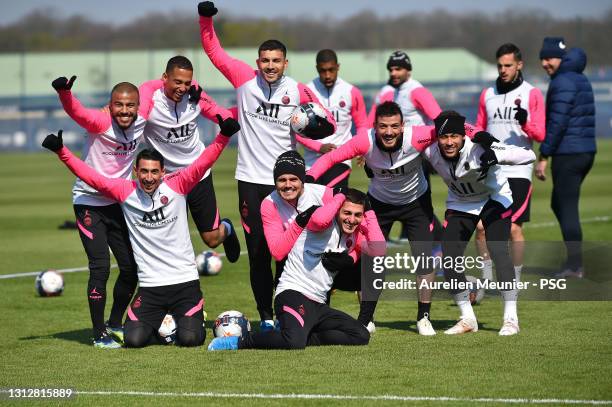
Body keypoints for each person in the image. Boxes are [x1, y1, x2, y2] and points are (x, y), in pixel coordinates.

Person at [41, 116, 241, 348]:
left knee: (191, 339)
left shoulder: (179, 184)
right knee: (134, 340)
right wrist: (61, 151)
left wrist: (223, 136)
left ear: (163, 172)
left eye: (154, 172)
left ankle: (190, 316)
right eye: (144, 171)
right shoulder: (124, 191)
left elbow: (203, 163)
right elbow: (91, 177)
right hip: (150, 287)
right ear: (136, 171)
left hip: (185, 283)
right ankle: (169, 321)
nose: (149, 177)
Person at [197, 1, 336, 330]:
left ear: (285, 63)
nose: (270, 66)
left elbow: (324, 122)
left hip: (287, 183)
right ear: (257, 62)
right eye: (265, 60)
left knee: (287, 253)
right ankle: (267, 317)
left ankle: (291, 308)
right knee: (259, 253)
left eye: (276, 61)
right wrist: (205, 18)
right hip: (251, 181)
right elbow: (213, 49)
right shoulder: (244, 78)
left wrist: (319, 139)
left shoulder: (298, 90)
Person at [307, 102, 479, 335]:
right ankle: (366, 319)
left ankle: (423, 318)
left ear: (403, 126)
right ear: (375, 127)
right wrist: (308, 178)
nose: (389, 132)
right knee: (371, 260)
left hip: (417, 204)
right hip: (378, 205)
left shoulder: (417, 135)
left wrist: (484, 137)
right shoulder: (363, 141)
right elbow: (330, 159)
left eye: (394, 126)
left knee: (424, 260)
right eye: (383, 126)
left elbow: (458, 127)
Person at [208, 188, 384, 351]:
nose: (351, 219)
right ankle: (239, 341)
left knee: (361, 334)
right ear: (337, 209)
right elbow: (320, 219)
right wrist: (340, 195)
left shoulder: (355, 231)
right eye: (347, 213)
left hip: (318, 304)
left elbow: (379, 250)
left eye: (357, 215)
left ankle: (304, 335)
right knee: (293, 342)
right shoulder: (320, 221)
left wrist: (369, 213)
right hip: (293, 294)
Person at [422, 111, 535, 336]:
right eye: (444, 137)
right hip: (461, 203)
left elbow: (528, 155)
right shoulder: (430, 150)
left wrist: (495, 154)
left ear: (463, 135)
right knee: (449, 254)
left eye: (454, 136)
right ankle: (467, 318)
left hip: (494, 198)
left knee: (498, 250)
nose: (449, 142)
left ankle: (511, 318)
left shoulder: (479, 147)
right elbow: (403, 141)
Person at [52, 76, 145, 348]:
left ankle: (115, 323)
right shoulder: (101, 122)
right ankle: (98, 333)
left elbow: (153, 89)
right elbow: (77, 112)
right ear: (110, 105)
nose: (125, 111)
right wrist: (65, 93)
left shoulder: (140, 122)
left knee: (131, 268)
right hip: (89, 203)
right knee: (100, 268)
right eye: (119, 105)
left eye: (130, 105)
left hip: (118, 203)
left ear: (138, 107)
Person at [260, 151, 378, 332]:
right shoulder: (269, 204)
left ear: (303, 180)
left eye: (294, 179)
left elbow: (357, 225)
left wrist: (351, 257)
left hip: (331, 264)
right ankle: (282, 319)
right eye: (282, 180)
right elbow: (277, 252)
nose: (288, 185)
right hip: (297, 271)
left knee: (375, 264)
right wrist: (301, 222)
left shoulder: (322, 193)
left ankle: (363, 323)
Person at [138, 55, 240, 263]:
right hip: (167, 181)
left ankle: (227, 229)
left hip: (198, 174)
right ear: (165, 78)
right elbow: (127, 113)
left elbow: (221, 114)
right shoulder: (150, 101)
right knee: (171, 239)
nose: (183, 88)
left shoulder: (195, 97)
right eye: (177, 82)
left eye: (187, 83)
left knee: (212, 240)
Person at [475, 43, 545, 283]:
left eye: (508, 65)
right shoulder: (487, 94)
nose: (503, 70)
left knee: (514, 228)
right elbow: (479, 130)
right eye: (500, 66)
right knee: (482, 228)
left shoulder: (531, 93)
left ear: (519, 65)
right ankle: (485, 280)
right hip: (493, 169)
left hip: (518, 169)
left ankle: (513, 281)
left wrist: (526, 123)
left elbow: (540, 134)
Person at [535, 37, 596, 278]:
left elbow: (558, 122)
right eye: (542, 58)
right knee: (559, 203)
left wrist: (544, 154)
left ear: (560, 58)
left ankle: (575, 265)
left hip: (568, 152)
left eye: (548, 58)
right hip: (584, 150)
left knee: (567, 206)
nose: (544, 63)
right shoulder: (579, 76)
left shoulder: (562, 81)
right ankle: (574, 260)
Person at [367, 50, 443, 243]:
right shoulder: (397, 91)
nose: (394, 73)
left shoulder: (415, 90)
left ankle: (440, 246)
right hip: (400, 154)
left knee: (420, 205)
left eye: (398, 69)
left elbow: (439, 118)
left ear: (408, 70)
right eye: (391, 69)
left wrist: (435, 148)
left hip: (416, 154)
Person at [296, 49, 368, 189]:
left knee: (333, 201)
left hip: (340, 160)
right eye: (323, 71)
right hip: (311, 162)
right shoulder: (305, 91)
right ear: (317, 68)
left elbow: (362, 124)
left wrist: (362, 149)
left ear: (338, 67)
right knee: (312, 208)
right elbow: (296, 130)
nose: (327, 75)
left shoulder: (351, 92)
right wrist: (319, 147)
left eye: (331, 70)